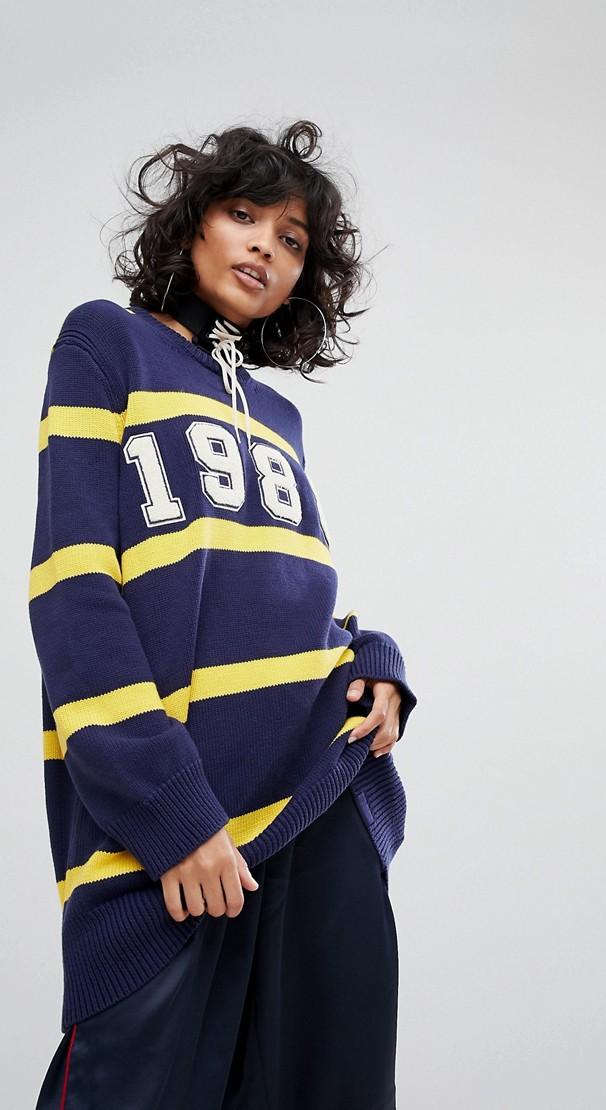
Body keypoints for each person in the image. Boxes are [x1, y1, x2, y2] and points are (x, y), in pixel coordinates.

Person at [29, 119, 417, 1108]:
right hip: (181, 820)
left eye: (292, 240)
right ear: (193, 224)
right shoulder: (104, 344)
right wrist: (170, 811)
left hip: (317, 793)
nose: (265, 248)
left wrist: (373, 659)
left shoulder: (278, 416)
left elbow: (287, 588)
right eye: (244, 215)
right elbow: (74, 587)